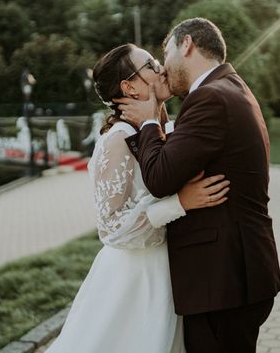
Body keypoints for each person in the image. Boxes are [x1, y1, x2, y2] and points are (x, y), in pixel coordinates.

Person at [46, 43, 230, 353]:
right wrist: (180, 203)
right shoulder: (118, 139)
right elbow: (111, 228)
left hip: (170, 271)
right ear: (129, 87)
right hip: (135, 281)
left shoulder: (159, 129)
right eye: (150, 65)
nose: (161, 69)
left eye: (157, 61)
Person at [116, 18, 280, 353]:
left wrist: (148, 119)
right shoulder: (230, 88)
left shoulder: (209, 98)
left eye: (165, 53)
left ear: (186, 44)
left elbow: (160, 178)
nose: (163, 68)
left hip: (223, 281)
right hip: (235, 276)